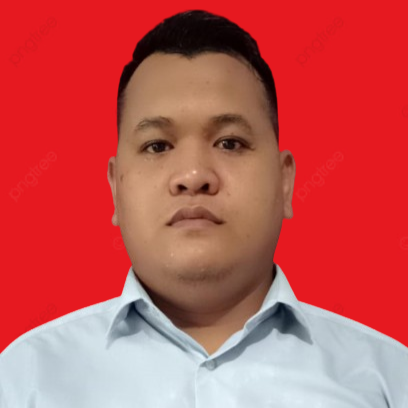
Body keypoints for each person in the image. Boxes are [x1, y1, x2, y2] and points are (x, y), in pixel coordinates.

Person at [1, 9, 407, 408]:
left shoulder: (386, 379)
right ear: (115, 188)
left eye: (230, 142)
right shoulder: (25, 379)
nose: (193, 175)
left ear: (285, 181)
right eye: (157, 146)